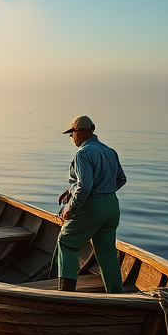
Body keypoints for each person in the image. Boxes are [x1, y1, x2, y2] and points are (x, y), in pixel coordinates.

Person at [55, 115, 128, 293]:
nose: (71, 138)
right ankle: (116, 293)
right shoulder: (109, 151)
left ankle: (66, 294)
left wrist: (70, 206)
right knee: (107, 252)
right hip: (112, 206)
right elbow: (121, 179)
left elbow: (85, 186)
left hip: (92, 206)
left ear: (79, 132)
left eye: (71, 134)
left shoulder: (83, 153)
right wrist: (102, 192)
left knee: (66, 242)